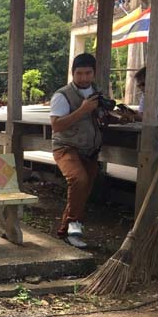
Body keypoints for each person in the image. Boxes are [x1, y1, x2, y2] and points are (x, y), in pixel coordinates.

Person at [50, 53, 108, 249]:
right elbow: (56, 126)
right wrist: (83, 110)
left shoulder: (97, 92)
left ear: (94, 73)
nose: (83, 78)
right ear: (72, 73)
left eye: (88, 73)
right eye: (79, 73)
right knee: (78, 180)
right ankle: (72, 231)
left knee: (83, 191)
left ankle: (66, 231)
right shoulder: (62, 95)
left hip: (90, 150)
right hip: (65, 146)